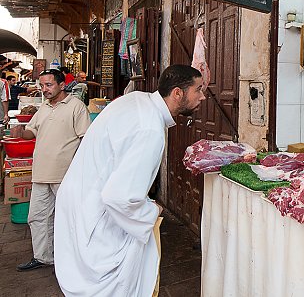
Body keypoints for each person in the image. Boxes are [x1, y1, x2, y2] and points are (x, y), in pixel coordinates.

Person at [54, 65, 206, 296]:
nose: (203, 96)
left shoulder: (137, 100)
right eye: (198, 90)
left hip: (82, 197)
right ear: (178, 93)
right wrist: (151, 210)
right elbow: (120, 198)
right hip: (95, 209)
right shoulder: (150, 129)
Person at [10, 68, 91, 272]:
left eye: (49, 85)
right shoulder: (44, 107)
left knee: (69, 218)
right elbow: (32, 132)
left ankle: (77, 259)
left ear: (62, 85)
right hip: (41, 173)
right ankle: (43, 257)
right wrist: (21, 131)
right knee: (36, 217)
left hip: (64, 174)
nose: (44, 89)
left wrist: (79, 169)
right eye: (42, 85)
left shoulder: (76, 107)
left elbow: (86, 140)